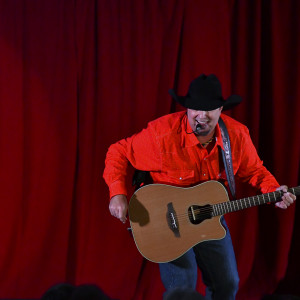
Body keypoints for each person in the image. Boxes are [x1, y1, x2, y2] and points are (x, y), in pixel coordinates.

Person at [103, 74, 296, 299]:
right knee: (183, 289)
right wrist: (117, 193)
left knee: (227, 283)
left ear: (221, 109)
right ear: (187, 108)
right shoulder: (162, 134)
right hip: (167, 220)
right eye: (195, 108)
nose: (201, 116)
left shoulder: (236, 135)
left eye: (209, 109)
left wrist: (274, 191)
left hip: (210, 217)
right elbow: (118, 151)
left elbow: (255, 171)